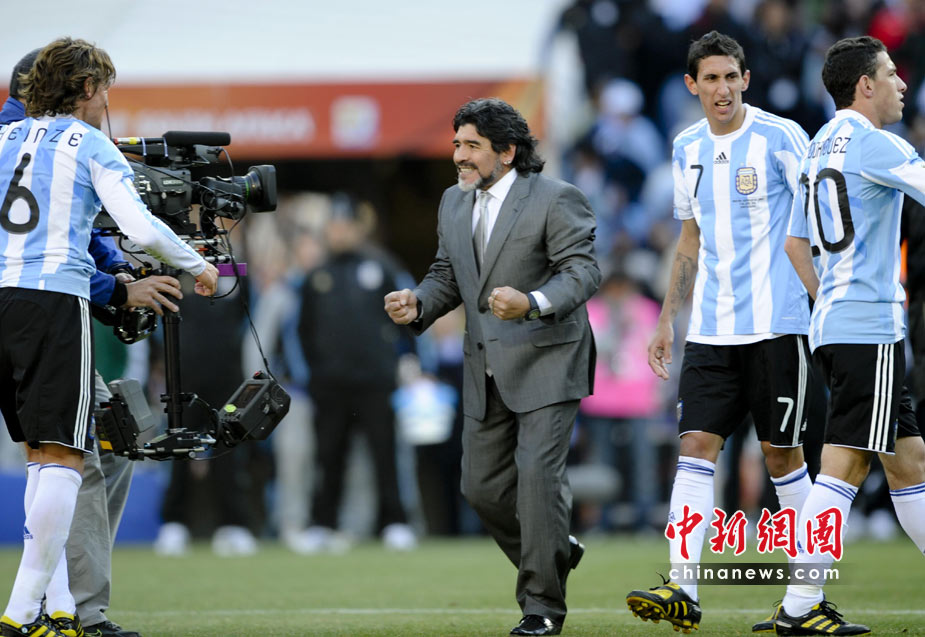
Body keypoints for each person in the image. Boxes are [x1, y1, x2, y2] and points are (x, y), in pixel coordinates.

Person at [0, 37, 217, 637]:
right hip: (52, 301)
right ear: (89, 88)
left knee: (40, 459)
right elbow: (139, 227)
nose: (107, 105)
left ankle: (59, 610)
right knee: (64, 458)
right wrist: (199, 265)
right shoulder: (88, 142)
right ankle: (20, 614)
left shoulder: (3, 138)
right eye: (106, 92)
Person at [385, 97, 600, 636]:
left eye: (472, 146)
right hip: (483, 365)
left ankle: (541, 609)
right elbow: (447, 274)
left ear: (507, 152)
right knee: (480, 489)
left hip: (549, 359)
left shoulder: (556, 197)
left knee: (537, 482)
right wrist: (418, 302)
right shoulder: (453, 201)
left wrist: (533, 301)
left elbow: (582, 272)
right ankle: (555, 547)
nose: (459, 155)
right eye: (456, 144)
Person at [623, 31, 815, 634]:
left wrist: (825, 300)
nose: (723, 88)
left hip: (779, 325)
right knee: (695, 449)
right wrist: (666, 320)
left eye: (732, 76)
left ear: (746, 79)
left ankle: (809, 596)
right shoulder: (685, 147)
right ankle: (683, 588)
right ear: (692, 85)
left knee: (783, 457)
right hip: (710, 329)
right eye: (711, 78)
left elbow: (819, 219)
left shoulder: (782, 137)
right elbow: (689, 240)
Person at [777, 35, 925, 636]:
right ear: (865, 85)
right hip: (868, 324)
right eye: (891, 73)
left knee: (909, 462)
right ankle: (798, 605)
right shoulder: (877, 143)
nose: (902, 84)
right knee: (844, 465)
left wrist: (830, 301)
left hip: (835, 323)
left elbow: (795, 243)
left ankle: (798, 603)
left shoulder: (817, 147)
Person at [295, 194, 417, 553]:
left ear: (357, 229)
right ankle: (322, 524)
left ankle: (394, 522)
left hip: (376, 382)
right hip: (330, 385)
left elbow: (406, 321)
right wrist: (314, 374)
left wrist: (408, 363)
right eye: (334, 226)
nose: (339, 232)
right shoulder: (317, 275)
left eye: (345, 226)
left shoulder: (382, 266)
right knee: (328, 457)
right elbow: (304, 331)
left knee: (385, 454)